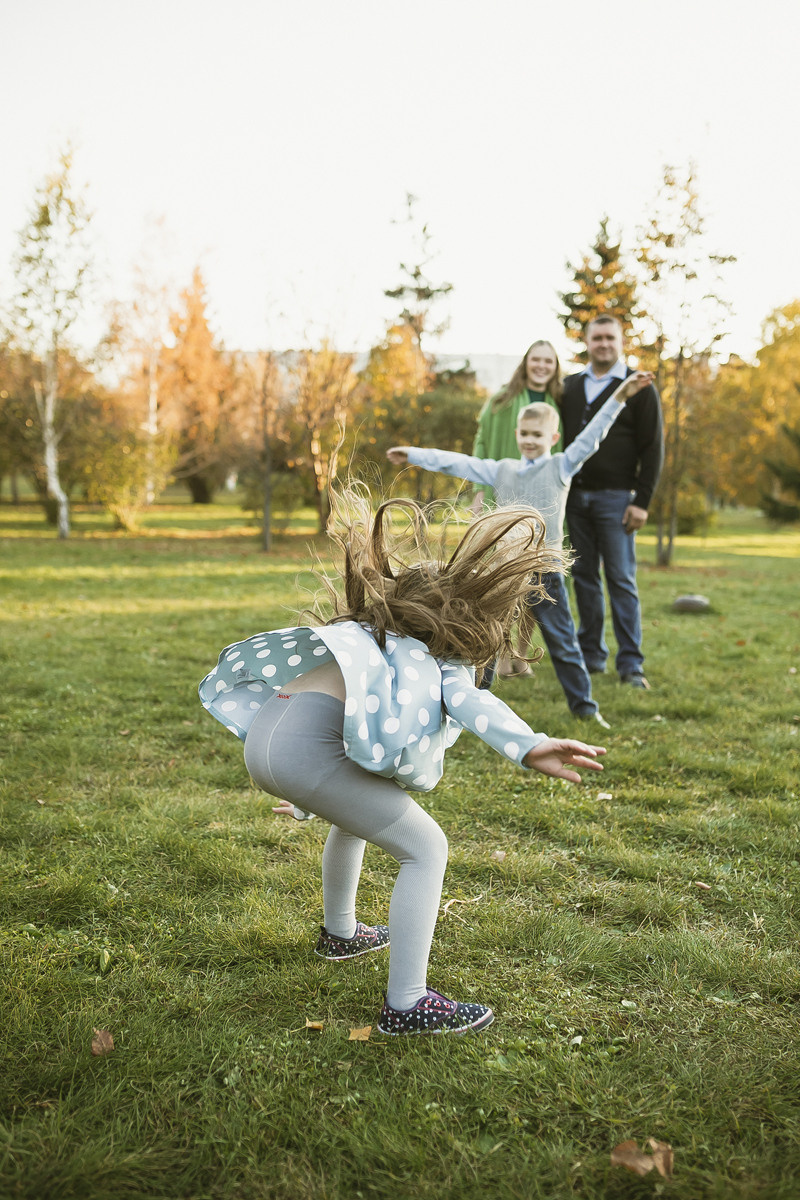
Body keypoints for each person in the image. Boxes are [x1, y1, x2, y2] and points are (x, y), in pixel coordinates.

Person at [199, 489, 606, 1037]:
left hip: (271, 736)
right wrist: (529, 744)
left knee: (357, 818)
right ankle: (407, 1004)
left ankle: (341, 934)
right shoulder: (440, 654)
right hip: (306, 748)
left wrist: (303, 790)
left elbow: (335, 726)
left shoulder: (374, 635)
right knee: (426, 848)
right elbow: (471, 701)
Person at [387, 371, 654, 727]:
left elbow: (594, 435)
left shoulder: (562, 466)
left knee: (562, 642)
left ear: (553, 438)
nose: (530, 441)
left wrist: (621, 394)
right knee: (488, 636)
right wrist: (414, 454)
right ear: (516, 435)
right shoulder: (503, 469)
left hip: (545, 572)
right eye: (525, 434)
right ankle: (475, 703)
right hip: (505, 571)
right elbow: (458, 462)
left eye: (537, 435)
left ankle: (586, 709)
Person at [561, 316, 664, 689]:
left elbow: (653, 447)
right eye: (597, 338)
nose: (603, 344)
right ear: (587, 341)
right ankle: (591, 657)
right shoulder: (570, 387)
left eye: (610, 338)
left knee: (620, 579)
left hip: (618, 499)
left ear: (621, 342)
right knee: (584, 579)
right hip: (575, 499)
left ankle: (631, 665)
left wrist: (642, 500)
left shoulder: (638, 386)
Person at [471, 340, 562, 671]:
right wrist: (480, 491)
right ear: (526, 363)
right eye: (535, 359)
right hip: (506, 495)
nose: (541, 366)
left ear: (555, 367)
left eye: (548, 361)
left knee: (536, 584)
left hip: (541, 504)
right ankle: (499, 648)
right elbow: (481, 444)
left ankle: (521, 654)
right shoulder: (502, 400)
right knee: (506, 581)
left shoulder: (556, 404)